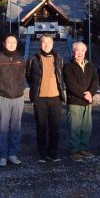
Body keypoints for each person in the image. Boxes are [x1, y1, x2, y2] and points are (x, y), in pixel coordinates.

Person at [0, 34, 27, 167]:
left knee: (16, 128)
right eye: (9, 42)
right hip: (2, 96)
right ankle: (3, 155)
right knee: (2, 128)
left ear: (17, 44)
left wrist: (21, 91)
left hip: (18, 97)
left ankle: (13, 154)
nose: (11, 44)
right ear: (4, 43)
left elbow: (23, 77)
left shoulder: (21, 59)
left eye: (14, 42)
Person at [26, 34, 65, 163]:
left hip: (55, 98)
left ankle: (53, 152)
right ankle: (42, 154)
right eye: (44, 42)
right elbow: (28, 76)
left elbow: (61, 76)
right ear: (40, 44)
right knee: (41, 127)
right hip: (40, 98)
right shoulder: (34, 58)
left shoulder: (59, 58)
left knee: (55, 126)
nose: (46, 45)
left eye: (49, 42)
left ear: (53, 44)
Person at [62, 41, 99, 161]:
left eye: (82, 51)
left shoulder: (90, 65)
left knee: (87, 127)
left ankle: (83, 148)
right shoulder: (68, 66)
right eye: (77, 50)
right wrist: (84, 95)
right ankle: (74, 150)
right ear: (73, 51)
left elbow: (95, 81)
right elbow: (71, 84)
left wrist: (91, 93)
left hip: (87, 101)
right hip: (75, 101)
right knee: (74, 127)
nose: (80, 53)